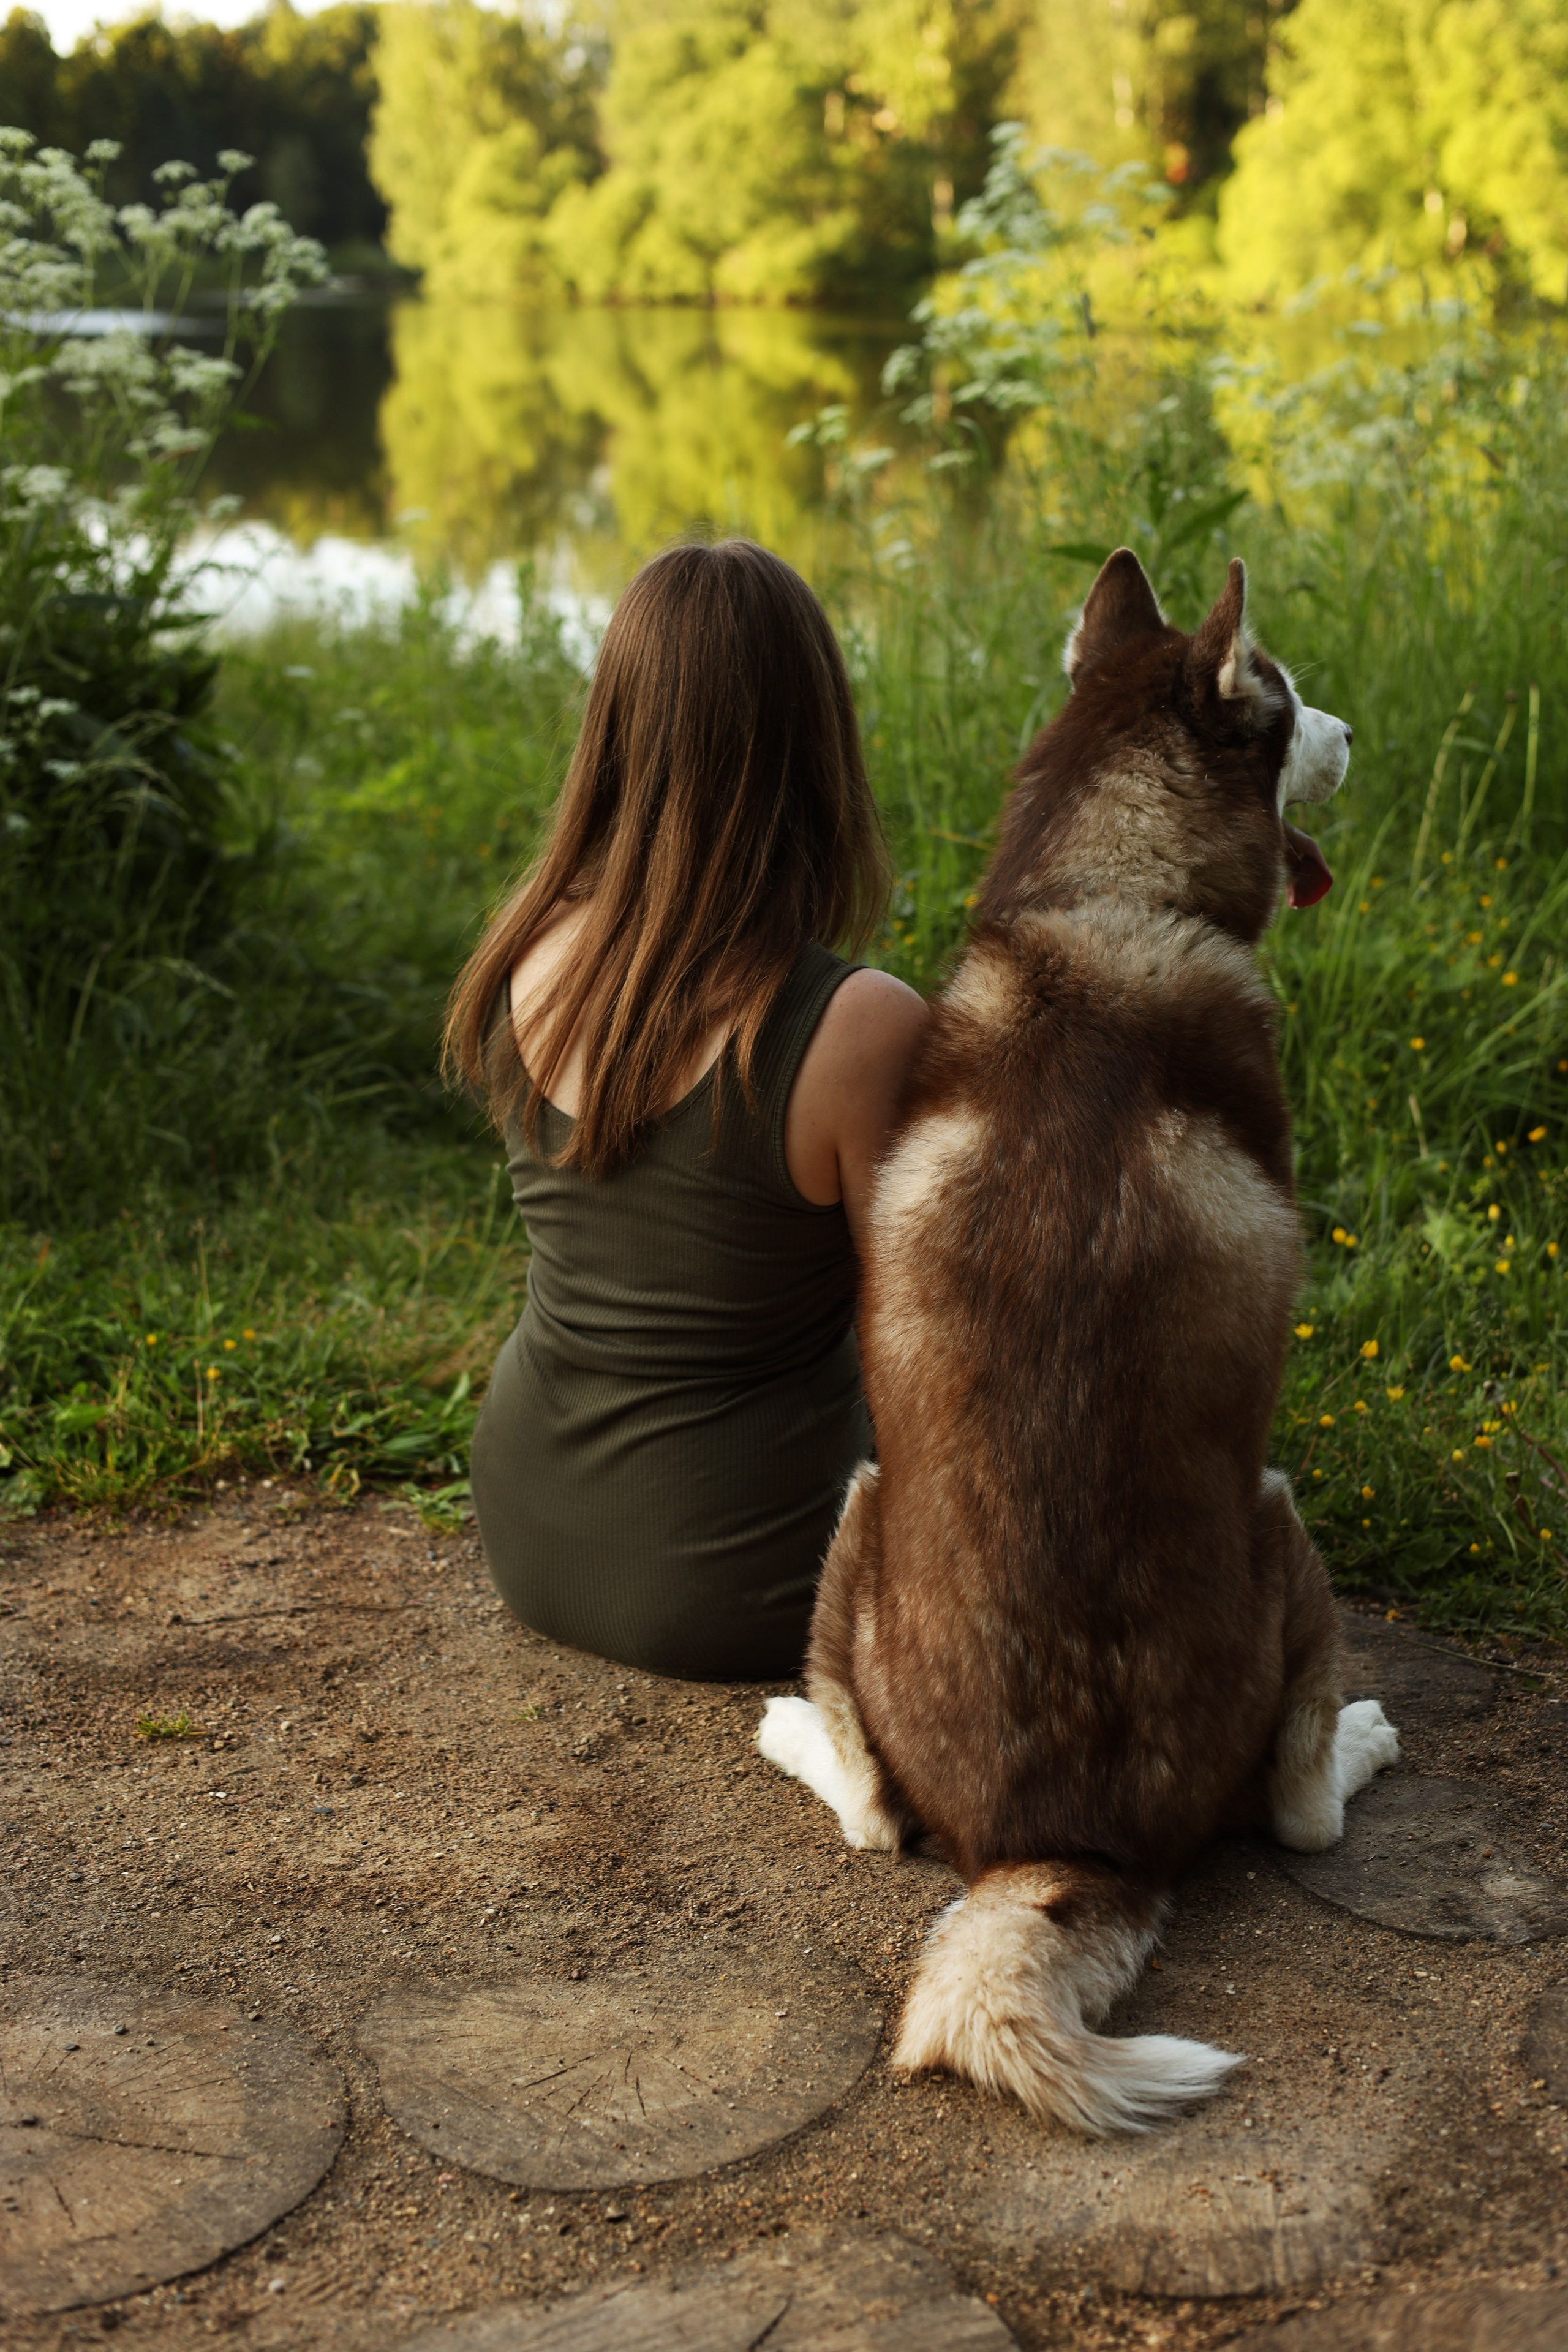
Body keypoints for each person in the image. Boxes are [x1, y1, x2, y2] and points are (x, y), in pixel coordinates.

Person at [443, 540, 929, 1681]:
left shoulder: (532, 944)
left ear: (615, 731)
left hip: (529, 1528)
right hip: (744, 1584)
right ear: (816, 745)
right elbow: (929, 1352)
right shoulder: (858, 1026)